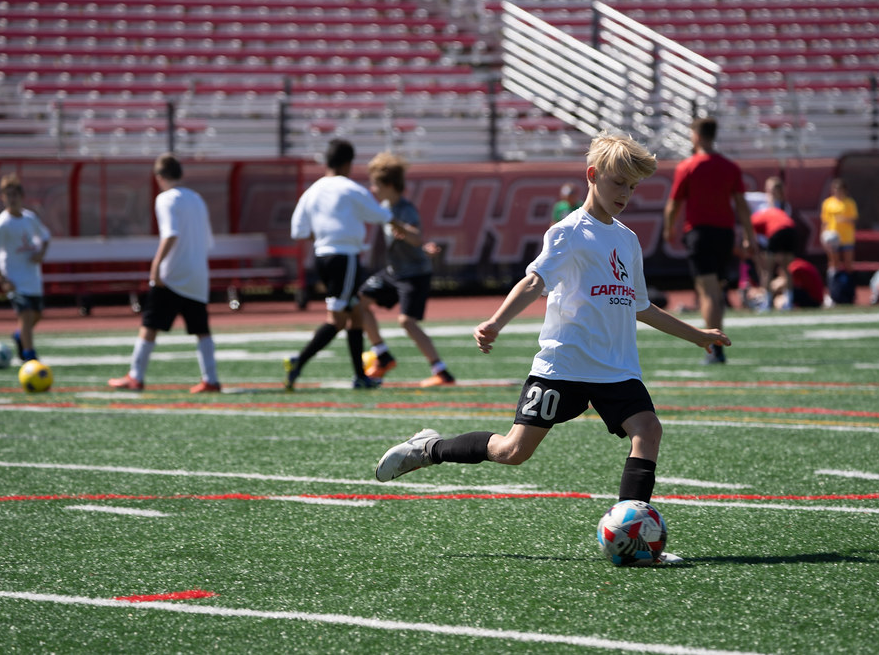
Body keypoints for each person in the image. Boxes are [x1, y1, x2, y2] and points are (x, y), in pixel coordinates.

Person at [374, 134, 730, 552]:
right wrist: (496, 322)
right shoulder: (568, 233)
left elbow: (641, 307)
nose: (625, 195)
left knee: (648, 429)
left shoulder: (627, 240)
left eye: (633, 187)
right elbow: (534, 282)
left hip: (615, 370)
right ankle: (429, 448)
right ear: (593, 176)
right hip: (564, 367)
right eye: (618, 183)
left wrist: (697, 335)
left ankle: (631, 534)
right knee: (512, 451)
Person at [284, 139, 398, 390]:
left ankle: (360, 376)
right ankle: (298, 361)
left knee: (355, 315)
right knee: (336, 320)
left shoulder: (312, 190)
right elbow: (382, 215)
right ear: (348, 163)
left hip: (323, 256)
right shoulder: (349, 188)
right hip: (344, 258)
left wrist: (323, 238)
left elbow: (298, 230)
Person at [109, 153, 221, 393]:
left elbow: (170, 234)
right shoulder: (197, 199)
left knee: (149, 324)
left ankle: (136, 376)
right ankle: (211, 379)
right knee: (201, 329)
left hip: (173, 275)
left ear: (159, 177)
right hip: (198, 274)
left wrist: (156, 265)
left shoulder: (165, 199)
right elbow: (207, 240)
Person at [358, 152, 456, 387]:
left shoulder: (405, 209)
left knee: (406, 322)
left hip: (414, 273)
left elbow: (415, 235)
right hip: (394, 271)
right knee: (358, 301)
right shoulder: (383, 205)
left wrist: (404, 230)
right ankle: (382, 355)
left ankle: (441, 372)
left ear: (389, 185)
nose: (372, 188)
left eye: (376, 184)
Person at [663, 117, 755, 363]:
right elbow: (742, 206)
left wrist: (669, 229)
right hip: (724, 233)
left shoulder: (688, 166)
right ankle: (719, 342)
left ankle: (714, 347)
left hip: (699, 233)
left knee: (707, 292)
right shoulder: (729, 166)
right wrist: (749, 235)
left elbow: (674, 204)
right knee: (718, 290)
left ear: (697, 136)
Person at [0, 173, 51, 362]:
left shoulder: (30, 218)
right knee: (26, 314)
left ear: (22, 196)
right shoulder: (1, 225)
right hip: (14, 279)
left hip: (32, 278)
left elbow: (45, 237)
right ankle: (30, 357)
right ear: (2, 198)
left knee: (36, 315)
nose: (12, 199)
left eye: (15, 194)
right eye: (8, 195)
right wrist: (3, 280)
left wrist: (40, 254)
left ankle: (18, 335)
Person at [750, 180, 799, 310]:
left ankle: (767, 302)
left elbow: (751, 229)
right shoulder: (759, 199)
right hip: (784, 233)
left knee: (769, 270)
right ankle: (786, 301)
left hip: (774, 237)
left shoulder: (782, 206)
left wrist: (749, 242)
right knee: (781, 269)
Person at [820, 177, 859, 278]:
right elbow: (824, 221)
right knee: (834, 263)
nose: (837, 191)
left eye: (839, 189)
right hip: (832, 237)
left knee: (848, 264)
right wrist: (822, 236)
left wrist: (844, 219)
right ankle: (834, 286)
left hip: (847, 237)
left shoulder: (850, 203)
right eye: (835, 189)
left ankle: (849, 286)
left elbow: (854, 219)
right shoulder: (827, 203)